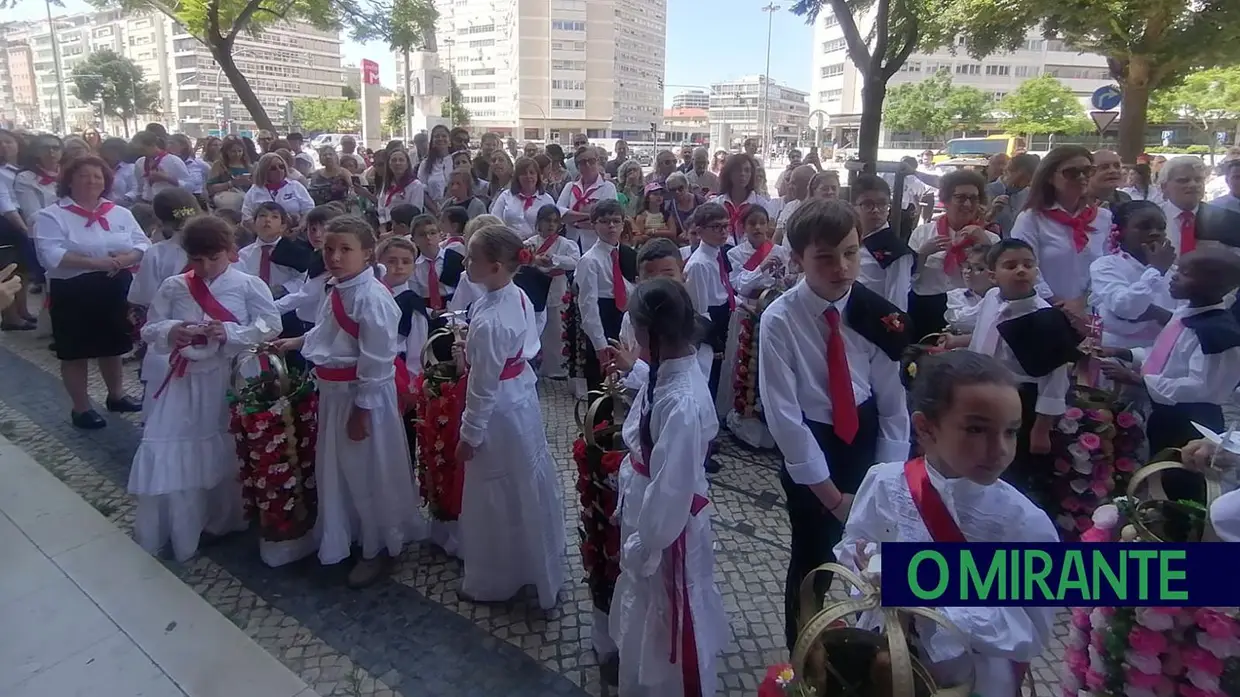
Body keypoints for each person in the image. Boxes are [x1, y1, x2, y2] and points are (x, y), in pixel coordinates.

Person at [837, 350, 1059, 697]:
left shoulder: (1024, 523)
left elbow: (1030, 629)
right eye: (976, 429)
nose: (999, 449)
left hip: (971, 679)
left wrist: (922, 588)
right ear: (926, 428)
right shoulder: (884, 482)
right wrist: (869, 574)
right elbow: (855, 547)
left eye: (1011, 432)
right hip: (887, 659)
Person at [757, 198, 911, 649]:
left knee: (878, 556)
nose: (841, 267)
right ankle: (802, 653)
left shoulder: (876, 313)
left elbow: (893, 404)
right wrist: (829, 494)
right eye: (824, 257)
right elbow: (784, 415)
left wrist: (886, 479)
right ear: (798, 259)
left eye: (850, 253)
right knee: (812, 556)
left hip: (866, 439)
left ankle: (878, 651)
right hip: (813, 444)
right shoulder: (780, 320)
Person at [273, 215, 427, 587]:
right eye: (329, 249)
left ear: (367, 253)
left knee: (365, 471)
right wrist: (295, 343)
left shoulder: (371, 298)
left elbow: (375, 364)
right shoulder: (337, 288)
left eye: (345, 250)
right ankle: (348, 532)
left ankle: (376, 545)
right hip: (335, 396)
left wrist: (361, 413)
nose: (335, 257)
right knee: (341, 470)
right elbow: (330, 334)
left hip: (361, 400)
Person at [128, 214, 280, 562]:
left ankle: (225, 519)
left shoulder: (247, 285)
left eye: (215, 257)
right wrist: (173, 330)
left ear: (230, 251)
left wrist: (230, 333)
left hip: (226, 379)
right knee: (171, 443)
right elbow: (150, 328)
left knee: (225, 447)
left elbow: (271, 325)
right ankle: (180, 525)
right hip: (182, 381)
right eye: (199, 259)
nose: (208, 266)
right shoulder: (174, 286)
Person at [609, 277, 728, 697]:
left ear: (649, 334)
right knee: (649, 609)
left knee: (666, 610)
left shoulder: (681, 402)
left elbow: (672, 487)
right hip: (652, 506)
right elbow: (656, 387)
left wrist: (648, 541)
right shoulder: (673, 371)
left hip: (666, 526)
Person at [454, 224, 566, 608]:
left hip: (499, 411)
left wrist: (469, 435)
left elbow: (482, 387)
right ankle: (529, 563)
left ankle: (496, 577)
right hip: (520, 400)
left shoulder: (490, 320)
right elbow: (525, 344)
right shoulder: (513, 295)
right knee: (523, 481)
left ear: (497, 266)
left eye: (472, 258)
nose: (466, 263)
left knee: (496, 489)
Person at [33, 156, 148, 429]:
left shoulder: (119, 212)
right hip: (74, 290)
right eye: (84, 175)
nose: (92, 181)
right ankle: (81, 408)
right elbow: (51, 255)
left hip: (114, 285)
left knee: (113, 346)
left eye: (97, 176)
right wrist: (97, 262)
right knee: (75, 351)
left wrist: (125, 258)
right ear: (69, 180)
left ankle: (116, 395)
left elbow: (142, 243)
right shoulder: (51, 216)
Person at [965, 239, 1080, 507]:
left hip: (1021, 400)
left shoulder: (1046, 318)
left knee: (1010, 465)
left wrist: (1041, 428)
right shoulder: (992, 298)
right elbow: (981, 336)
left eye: (1028, 265)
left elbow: (1055, 378)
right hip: (980, 389)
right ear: (993, 275)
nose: (1021, 271)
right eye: (1011, 265)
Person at [1100, 251, 1240, 454]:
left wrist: (1138, 380)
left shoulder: (1217, 334)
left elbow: (1200, 387)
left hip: (1192, 423)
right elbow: (1166, 358)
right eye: (1177, 269)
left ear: (1215, 284)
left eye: (1186, 273)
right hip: (1165, 413)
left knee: (1179, 477)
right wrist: (1123, 352)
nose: (1174, 276)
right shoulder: (1184, 314)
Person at [1011, 146, 1110, 315]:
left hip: (1091, 312)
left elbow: (1108, 266)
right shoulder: (1031, 219)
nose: (1081, 177)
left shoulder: (1103, 218)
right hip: (1043, 312)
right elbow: (1025, 268)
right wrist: (1057, 304)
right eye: (1071, 173)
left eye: (1088, 170)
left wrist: (1083, 302)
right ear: (1050, 177)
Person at [721, 205, 790, 449]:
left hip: (773, 311)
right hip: (748, 310)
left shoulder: (780, 251)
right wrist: (761, 268)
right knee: (744, 366)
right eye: (752, 224)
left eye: (762, 222)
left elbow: (785, 280)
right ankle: (739, 416)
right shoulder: (735, 254)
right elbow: (738, 285)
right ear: (743, 227)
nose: (758, 228)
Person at [128, 188, 200, 410]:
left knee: (165, 401)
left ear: (160, 220)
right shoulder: (221, 249)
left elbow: (143, 295)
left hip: (170, 333)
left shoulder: (157, 252)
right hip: (209, 332)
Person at [907, 169, 1000, 336]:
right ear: (946, 200)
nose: (968, 204)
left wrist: (985, 244)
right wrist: (922, 255)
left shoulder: (991, 239)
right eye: (961, 198)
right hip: (927, 308)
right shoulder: (923, 233)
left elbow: (998, 280)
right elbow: (906, 277)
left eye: (973, 198)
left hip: (969, 310)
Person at [1089, 200, 1177, 350]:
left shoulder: (1175, 271)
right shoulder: (1106, 265)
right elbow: (1125, 307)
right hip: (1113, 354)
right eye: (1144, 227)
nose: (1155, 232)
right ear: (1120, 232)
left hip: (1162, 356)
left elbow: (1186, 319)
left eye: (1161, 228)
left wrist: (1156, 313)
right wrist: (1156, 271)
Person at [574, 199, 636, 393]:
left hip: (625, 317)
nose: (611, 226)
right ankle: (600, 422)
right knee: (602, 384)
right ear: (594, 225)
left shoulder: (628, 254)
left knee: (626, 381)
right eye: (604, 221)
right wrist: (599, 344)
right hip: (603, 317)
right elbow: (588, 306)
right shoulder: (589, 260)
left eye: (616, 221)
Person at [683, 203, 736, 414]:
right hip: (709, 324)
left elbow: (724, 288)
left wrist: (741, 305)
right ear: (700, 230)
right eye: (716, 227)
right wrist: (714, 342)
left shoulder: (717, 254)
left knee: (719, 374)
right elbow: (700, 308)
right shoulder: (699, 264)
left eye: (726, 226)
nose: (723, 232)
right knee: (707, 375)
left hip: (723, 315)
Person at [274, 204, 343, 341]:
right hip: (308, 322)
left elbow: (305, 295)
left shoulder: (334, 264)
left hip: (322, 327)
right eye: (312, 229)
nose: (317, 234)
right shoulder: (316, 255)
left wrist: (271, 308)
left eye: (324, 228)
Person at [525, 204, 578, 377]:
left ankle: (556, 368)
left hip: (557, 286)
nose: (551, 225)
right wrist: (534, 260)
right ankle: (534, 364)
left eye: (555, 221)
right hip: (535, 288)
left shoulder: (565, 244)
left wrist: (554, 260)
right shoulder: (529, 243)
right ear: (539, 222)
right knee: (535, 327)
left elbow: (575, 261)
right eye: (547, 220)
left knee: (556, 329)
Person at [1157, 155, 1240, 258]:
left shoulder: (1229, 220)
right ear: (1164, 187)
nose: (1193, 184)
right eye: (1183, 180)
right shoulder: (1152, 218)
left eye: (1198, 179)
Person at [853, 175, 914, 312]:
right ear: (854, 207)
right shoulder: (850, 238)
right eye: (868, 204)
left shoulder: (896, 252)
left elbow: (897, 303)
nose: (876, 210)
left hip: (873, 321)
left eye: (882, 204)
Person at [558, 146, 618, 251]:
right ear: (577, 166)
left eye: (591, 161)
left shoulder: (608, 187)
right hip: (571, 242)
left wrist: (573, 219)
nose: (587, 165)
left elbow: (606, 218)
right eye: (582, 162)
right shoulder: (570, 187)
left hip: (596, 244)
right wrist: (590, 216)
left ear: (597, 162)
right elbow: (559, 213)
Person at [710, 154, 777, 246]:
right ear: (729, 173)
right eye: (737, 170)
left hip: (752, 256)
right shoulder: (716, 204)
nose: (742, 174)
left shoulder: (762, 205)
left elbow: (768, 235)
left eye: (747, 170)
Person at [490, 156, 555, 238]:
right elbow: (494, 221)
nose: (528, 176)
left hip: (537, 246)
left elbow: (552, 228)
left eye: (532, 173)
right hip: (508, 244)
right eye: (524, 173)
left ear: (538, 176)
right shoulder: (505, 196)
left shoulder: (547, 200)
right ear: (517, 177)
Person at [241, 152, 314, 225]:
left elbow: (309, 208)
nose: (279, 170)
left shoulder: (295, 186)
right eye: (273, 168)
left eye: (281, 166)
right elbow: (246, 217)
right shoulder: (254, 191)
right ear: (264, 171)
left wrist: (301, 225)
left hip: (294, 231)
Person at [984, 153, 1038, 236]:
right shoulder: (987, 191)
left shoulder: (1030, 194)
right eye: (1022, 178)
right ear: (1008, 171)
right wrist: (992, 213)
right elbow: (976, 226)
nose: (1024, 184)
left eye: (1029, 180)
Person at [377, 148, 429, 231]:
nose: (397, 163)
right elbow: (381, 207)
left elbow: (415, 210)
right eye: (394, 160)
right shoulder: (387, 184)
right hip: (387, 225)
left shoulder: (415, 185)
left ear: (407, 164)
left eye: (401, 160)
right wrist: (383, 225)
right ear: (389, 164)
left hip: (405, 228)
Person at [131, 131, 190, 204]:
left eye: (142, 149)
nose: (140, 153)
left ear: (153, 145)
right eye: (138, 150)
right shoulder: (140, 162)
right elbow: (139, 186)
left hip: (169, 203)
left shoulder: (173, 161)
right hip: (147, 202)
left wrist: (167, 178)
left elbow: (189, 186)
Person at [772, 165, 815, 247]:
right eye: (789, 182)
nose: (789, 186)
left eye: (794, 183)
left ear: (808, 185)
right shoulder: (789, 206)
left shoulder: (817, 210)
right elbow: (777, 238)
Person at [418, 125, 453, 204]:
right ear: (432, 142)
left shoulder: (456, 161)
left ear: (449, 141)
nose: (440, 139)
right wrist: (435, 210)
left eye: (444, 136)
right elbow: (421, 190)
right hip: (432, 209)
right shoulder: (425, 164)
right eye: (437, 136)